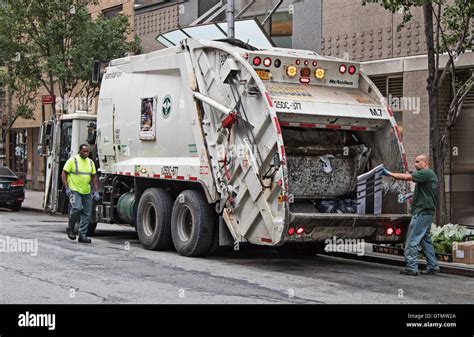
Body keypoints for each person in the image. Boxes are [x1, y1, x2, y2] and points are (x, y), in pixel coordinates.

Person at [383, 154, 440, 276]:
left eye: (418, 162)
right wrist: (410, 195)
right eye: (415, 162)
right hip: (427, 212)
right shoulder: (430, 175)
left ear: (425, 163)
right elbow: (425, 193)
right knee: (425, 240)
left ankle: (411, 267)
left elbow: (406, 177)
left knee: (412, 240)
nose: (415, 164)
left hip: (421, 212)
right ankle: (433, 266)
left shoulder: (425, 173)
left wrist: (389, 173)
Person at [61, 144, 100, 243]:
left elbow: (94, 177)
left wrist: (96, 191)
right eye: (84, 151)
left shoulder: (90, 162)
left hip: (86, 191)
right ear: (80, 151)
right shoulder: (72, 161)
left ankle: (82, 235)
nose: (86, 153)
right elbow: (64, 173)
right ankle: (70, 227)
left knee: (87, 214)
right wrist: (67, 188)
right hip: (74, 190)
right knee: (77, 208)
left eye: (88, 152)